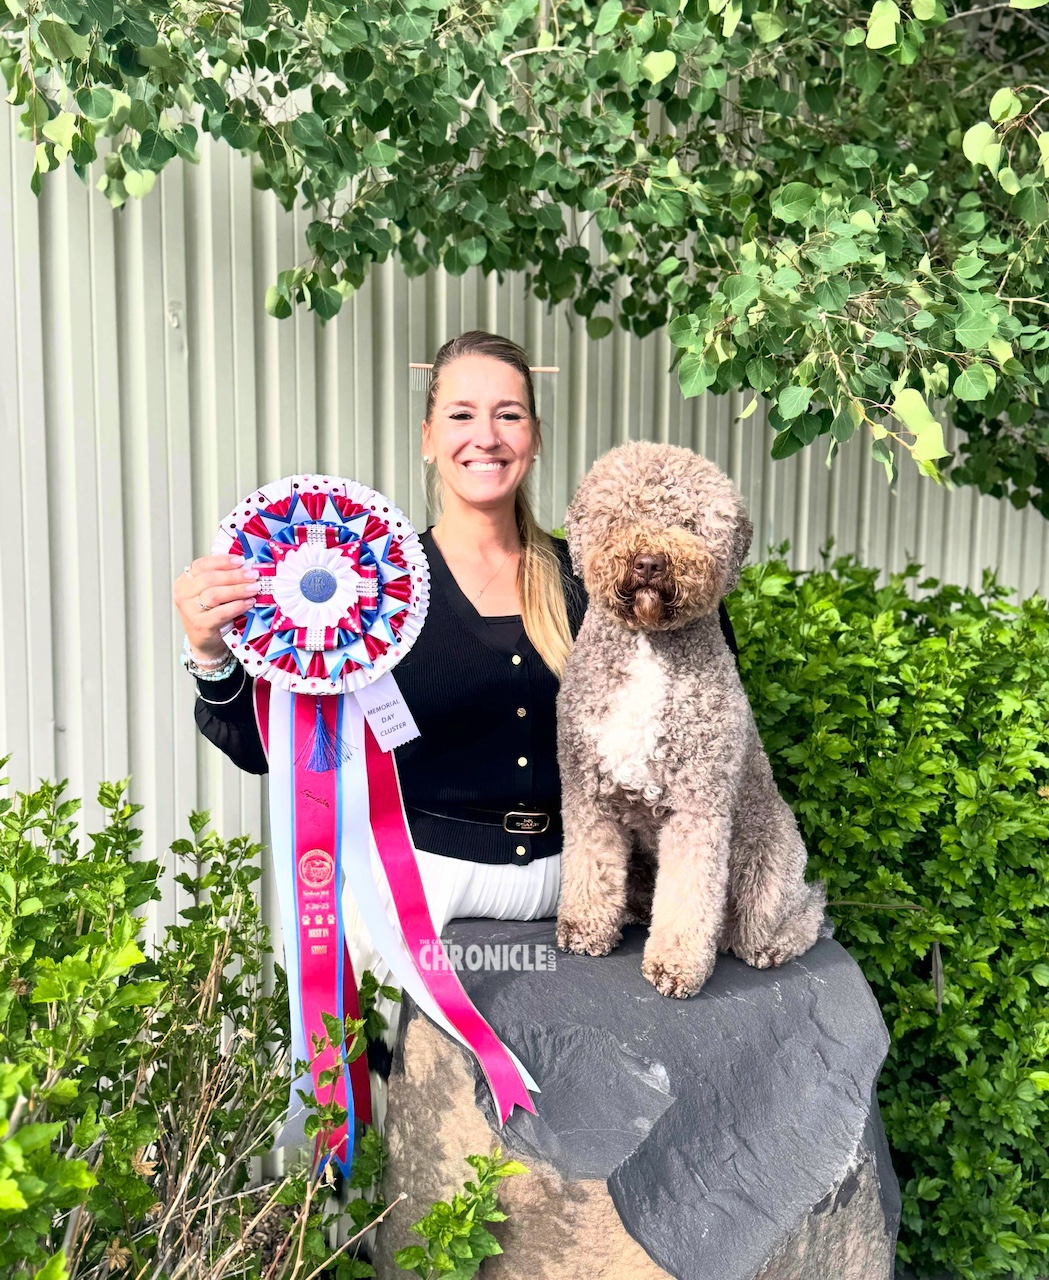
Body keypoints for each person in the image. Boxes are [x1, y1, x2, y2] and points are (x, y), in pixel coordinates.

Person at [173, 329, 739, 1127]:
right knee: (414, 1132)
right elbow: (274, 751)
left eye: (508, 414)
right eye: (461, 414)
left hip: (582, 891)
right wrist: (208, 654)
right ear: (428, 436)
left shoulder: (596, 576)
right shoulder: (367, 587)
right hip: (420, 895)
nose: (486, 436)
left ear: (534, 436)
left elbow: (707, 698)